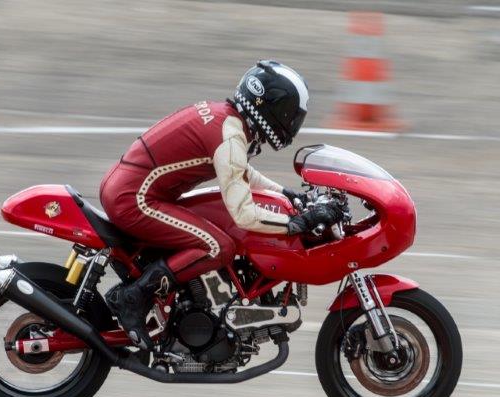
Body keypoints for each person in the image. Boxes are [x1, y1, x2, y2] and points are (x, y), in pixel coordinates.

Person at [99, 60, 344, 350]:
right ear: (273, 108)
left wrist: (288, 195)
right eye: (291, 114)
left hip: (132, 192)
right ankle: (133, 298)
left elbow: (240, 171)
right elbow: (244, 215)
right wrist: (296, 224)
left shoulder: (226, 120)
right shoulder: (229, 138)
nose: (292, 122)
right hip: (135, 200)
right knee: (219, 246)